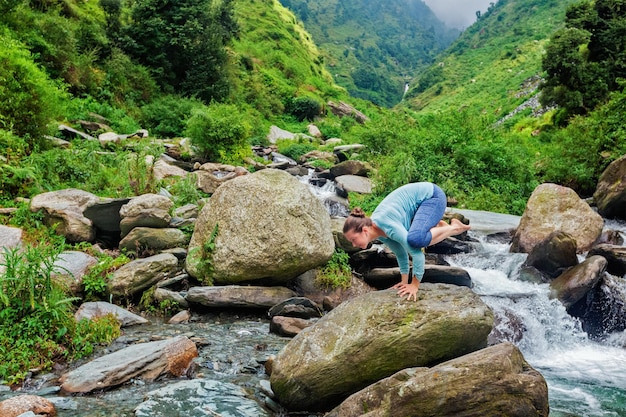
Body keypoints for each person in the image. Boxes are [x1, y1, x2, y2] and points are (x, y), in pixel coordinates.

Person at [343, 182, 470, 301]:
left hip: (433, 197)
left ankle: (451, 228)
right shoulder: (379, 233)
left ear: (364, 230)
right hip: (420, 205)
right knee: (413, 240)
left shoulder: (387, 224)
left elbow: (417, 254)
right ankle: (440, 227)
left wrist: (414, 285)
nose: (353, 245)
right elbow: (401, 254)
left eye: (353, 239)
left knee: (415, 240)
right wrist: (404, 282)